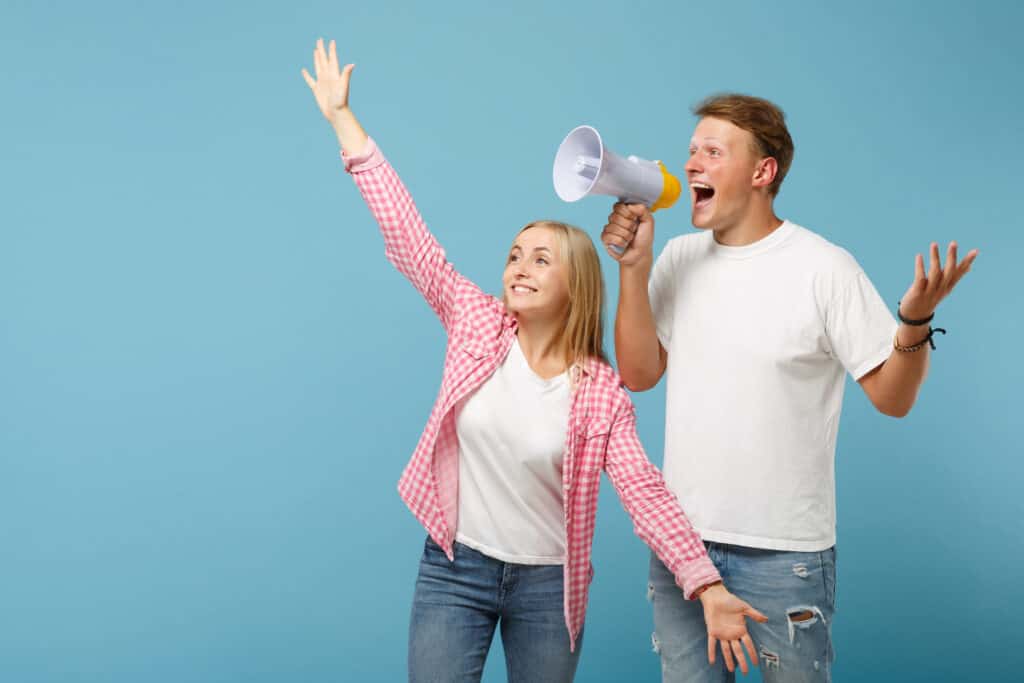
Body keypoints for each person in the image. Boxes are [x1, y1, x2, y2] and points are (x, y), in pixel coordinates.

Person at [302, 40, 769, 682]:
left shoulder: (601, 393)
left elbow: (644, 493)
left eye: (540, 258)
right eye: (514, 255)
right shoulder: (475, 324)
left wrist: (707, 585)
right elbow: (408, 237)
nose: (519, 267)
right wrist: (343, 121)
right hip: (453, 567)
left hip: (549, 588)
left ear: (575, 283)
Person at [602, 93, 977, 682]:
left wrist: (913, 323)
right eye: (691, 151)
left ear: (762, 171)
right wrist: (632, 269)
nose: (692, 164)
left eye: (713, 152)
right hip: (683, 547)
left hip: (786, 556)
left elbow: (893, 399)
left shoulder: (823, 268)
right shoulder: (675, 258)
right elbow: (639, 374)